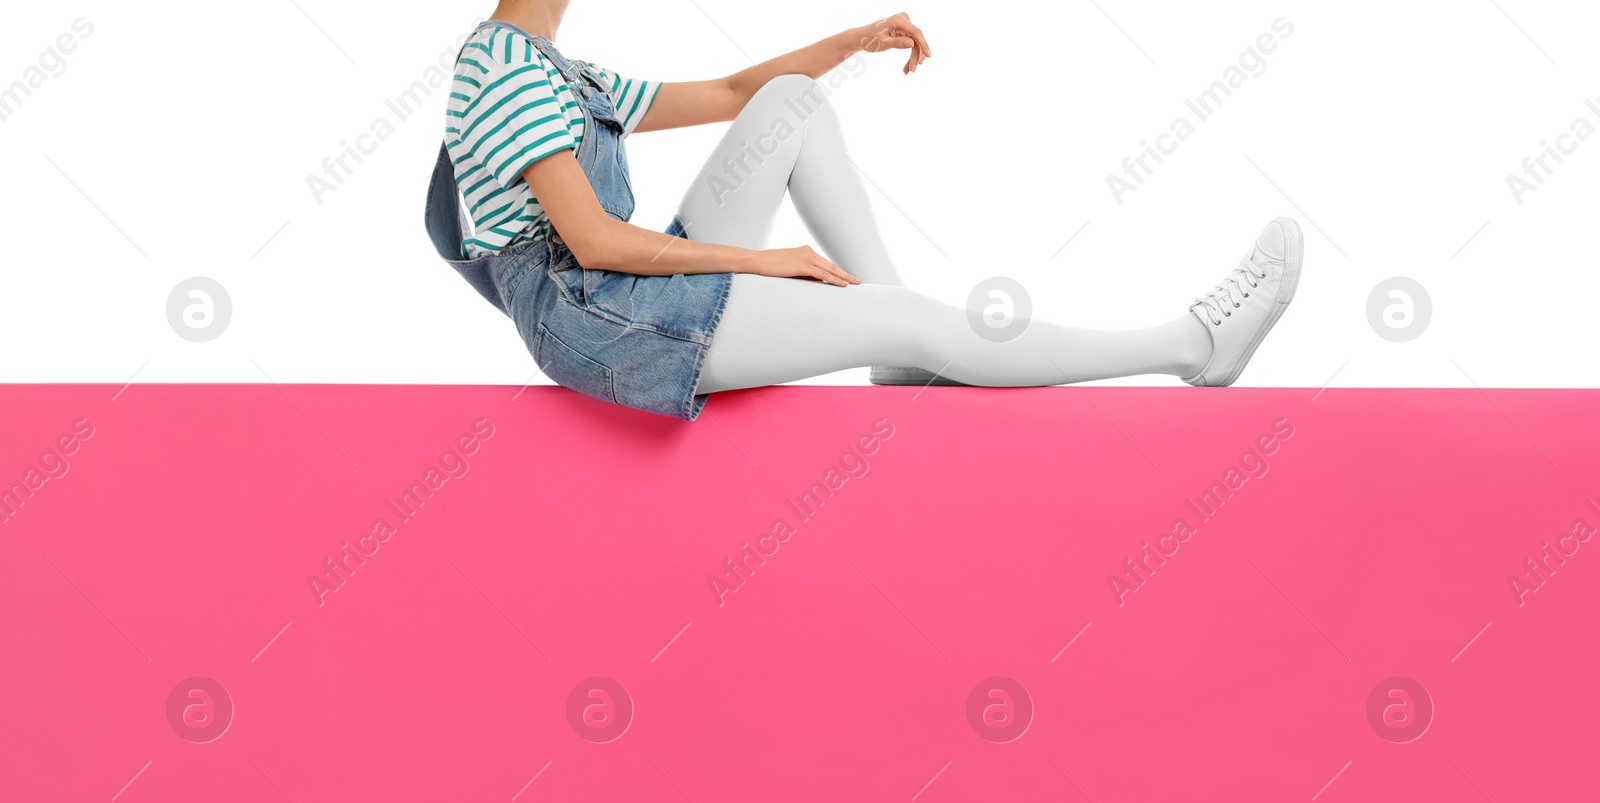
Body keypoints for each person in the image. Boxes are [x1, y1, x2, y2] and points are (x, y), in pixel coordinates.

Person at [426, 2, 1304, 421]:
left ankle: (897, 349)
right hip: (600, 315)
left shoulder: (555, 67)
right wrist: (763, 261)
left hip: (616, 285)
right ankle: (1191, 346)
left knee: (788, 104)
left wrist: (847, 44)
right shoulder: (502, 67)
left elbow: (737, 90)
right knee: (904, 316)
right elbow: (592, 239)